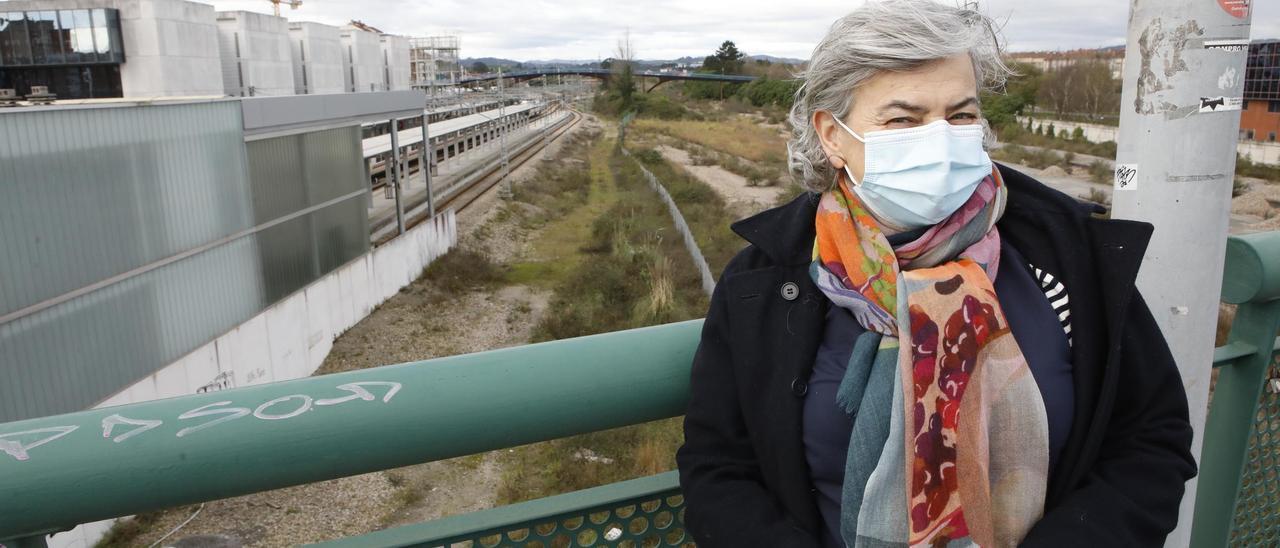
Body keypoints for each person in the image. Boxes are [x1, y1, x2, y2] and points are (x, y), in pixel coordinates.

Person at [674, 1, 1197, 546]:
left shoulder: (1067, 258)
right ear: (831, 134)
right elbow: (719, 467)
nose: (941, 138)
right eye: (903, 119)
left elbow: (1150, 438)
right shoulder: (764, 278)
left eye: (962, 114)